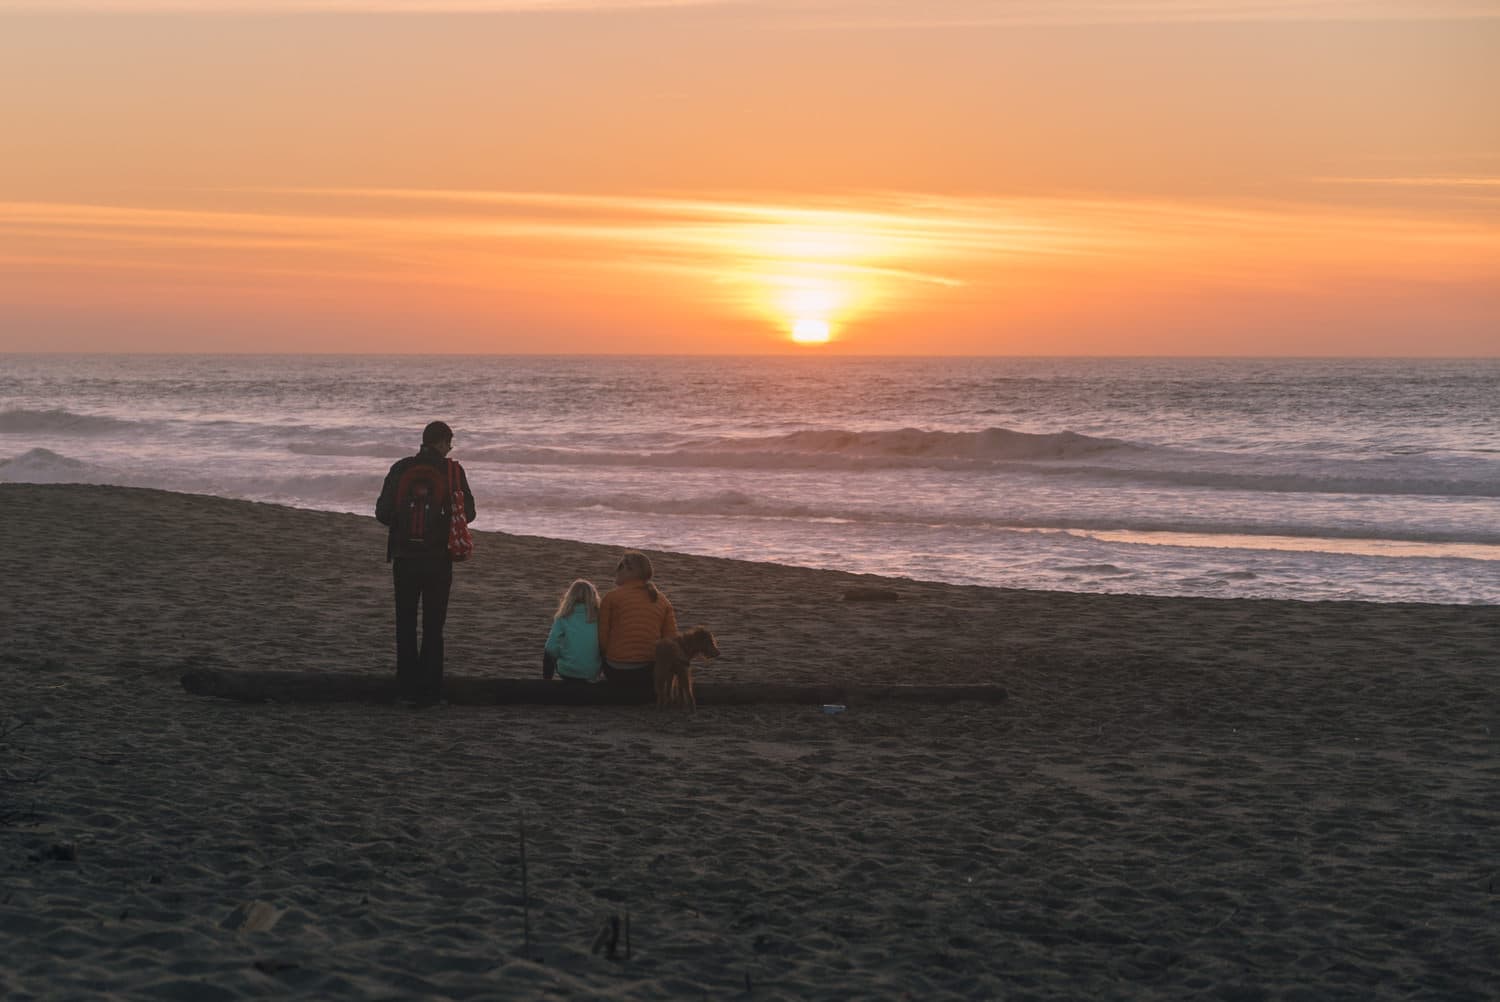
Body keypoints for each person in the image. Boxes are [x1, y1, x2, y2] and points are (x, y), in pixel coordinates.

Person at [375, 420, 476, 706]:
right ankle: (430, 691)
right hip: (438, 559)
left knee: (405, 623)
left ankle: (406, 690)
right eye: (449, 443)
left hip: (404, 557)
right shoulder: (453, 471)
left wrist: (405, 522)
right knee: (433, 625)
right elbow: (469, 513)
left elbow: (382, 512)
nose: (450, 448)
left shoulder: (400, 468)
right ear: (441, 442)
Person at [597, 550, 678, 697]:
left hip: (615, 672)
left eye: (620, 566)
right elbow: (671, 641)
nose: (617, 570)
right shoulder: (662, 600)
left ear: (630, 571)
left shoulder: (611, 597)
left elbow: (602, 641)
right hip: (648, 673)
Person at [542, 579, 603, 683]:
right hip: (592, 671)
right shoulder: (600, 616)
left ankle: (547, 683)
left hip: (568, 671)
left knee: (548, 654)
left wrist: (561, 654)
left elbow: (550, 647)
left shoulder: (563, 616)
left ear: (570, 596)